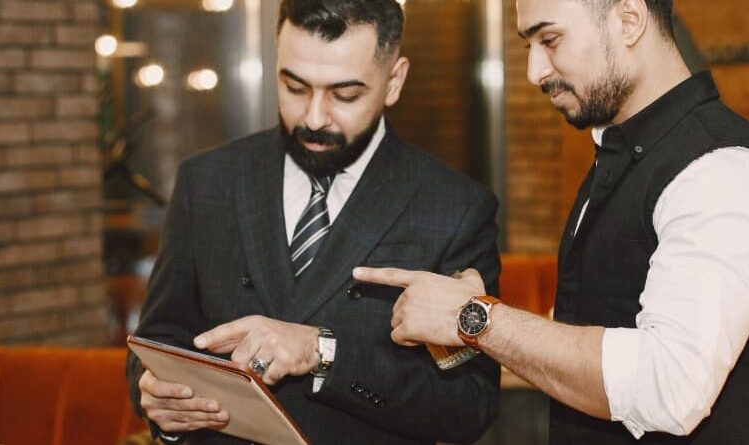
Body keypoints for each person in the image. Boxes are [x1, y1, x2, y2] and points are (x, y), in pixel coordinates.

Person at [354, 0, 749, 444]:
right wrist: (468, 325)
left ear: (629, 19)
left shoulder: (723, 170)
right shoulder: (624, 157)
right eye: (527, 46)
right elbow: (598, 331)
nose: (535, 70)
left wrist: (474, 318)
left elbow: (671, 389)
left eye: (550, 39)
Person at [125, 1, 501, 444]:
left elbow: (468, 407)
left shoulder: (453, 208)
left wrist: (325, 354)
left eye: (345, 95)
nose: (315, 118)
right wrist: (159, 398)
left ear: (394, 81)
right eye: (295, 87)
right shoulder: (207, 181)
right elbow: (159, 339)